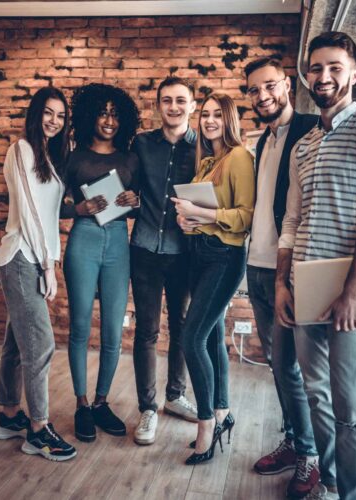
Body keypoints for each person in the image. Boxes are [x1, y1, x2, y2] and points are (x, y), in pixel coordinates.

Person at [275, 32, 356, 500]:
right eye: (317, 68)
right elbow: (291, 219)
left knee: (351, 407)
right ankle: (329, 480)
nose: (324, 77)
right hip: (305, 283)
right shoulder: (302, 146)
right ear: (307, 74)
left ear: (355, 74)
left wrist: (353, 292)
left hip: (352, 292)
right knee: (315, 395)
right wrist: (283, 283)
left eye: (335, 67)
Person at [244, 57, 319, 498]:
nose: (262, 96)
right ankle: (294, 442)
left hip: (288, 270)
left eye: (269, 86)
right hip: (256, 265)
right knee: (277, 364)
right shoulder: (263, 141)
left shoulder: (311, 128)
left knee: (294, 368)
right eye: (253, 90)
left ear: (287, 84)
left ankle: (309, 455)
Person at [0, 86, 77, 462]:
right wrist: (47, 265)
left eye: (60, 115)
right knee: (41, 345)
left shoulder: (49, 155)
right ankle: (38, 431)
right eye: (48, 112)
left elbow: (48, 212)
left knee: (17, 343)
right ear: (35, 112)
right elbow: (28, 213)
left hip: (33, 257)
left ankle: (10, 415)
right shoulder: (21, 149)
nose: (54, 121)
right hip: (21, 258)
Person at [172, 92, 254, 465]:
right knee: (214, 336)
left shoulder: (238, 157)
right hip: (200, 254)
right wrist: (186, 220)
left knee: (193, 337)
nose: (209, 121)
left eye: (217, 115)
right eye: (205, 114)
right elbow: (203, 214)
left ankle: (206, 423)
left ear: (229, 119)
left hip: (224, 257)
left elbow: (245, 217)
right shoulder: (207, 161)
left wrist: (202, 215)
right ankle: (223, 411)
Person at [62, 83, 140, 443]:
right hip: (84, 239)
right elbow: (53, 204)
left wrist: (133, 200)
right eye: (103, 112)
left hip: (118, 244)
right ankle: (81, 403)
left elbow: (141, 203)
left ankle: (101, 402)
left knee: (112, 329)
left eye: (115, 114)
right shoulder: (73, 156)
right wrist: (77, 208)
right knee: (79, 326)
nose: (109, 120)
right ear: (90, 115)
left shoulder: (129, 158)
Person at [130, 77, 198, 446]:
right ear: (158, 105)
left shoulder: (203, 146)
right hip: (143, 250)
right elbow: (131, 186)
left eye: (181, 100)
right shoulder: (141, 143)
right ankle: (148, 408)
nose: (174, 107)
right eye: (167, 100)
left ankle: (175, 395)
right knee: (147, 331)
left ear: (193, 105)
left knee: (183, 329)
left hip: (184, 253)